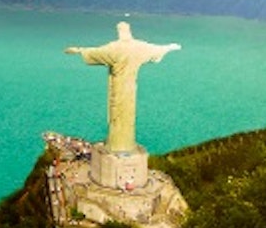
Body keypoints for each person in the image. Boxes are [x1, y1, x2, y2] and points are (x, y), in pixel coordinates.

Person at [65, 22, 180, 152]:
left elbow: (96, 52)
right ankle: (125, 144)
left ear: (119, 32)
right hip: (130, 89)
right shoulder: (139, 47)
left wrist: (79, 50)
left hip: (118, 88)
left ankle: (117, 146)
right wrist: (169, 47)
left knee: (117, 116)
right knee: (127, 115)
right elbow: (157, 49)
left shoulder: (115, 48)